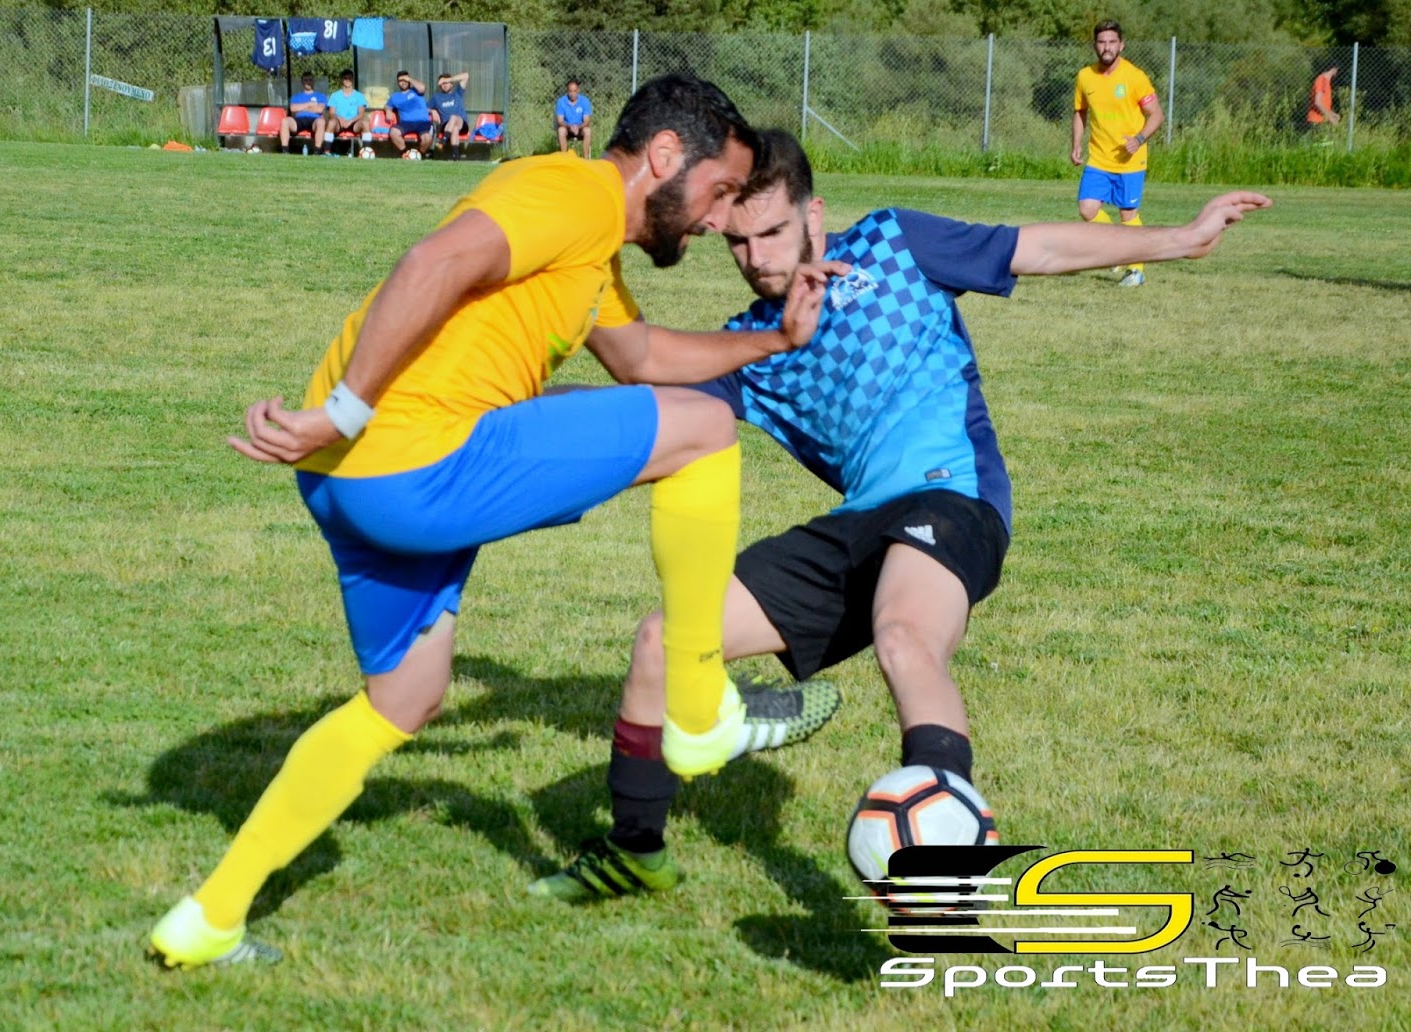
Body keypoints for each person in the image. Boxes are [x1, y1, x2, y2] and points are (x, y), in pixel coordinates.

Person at [148, 75, 849, 969]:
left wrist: (777, 340)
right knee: (706, 430)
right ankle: (700, 703)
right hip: (410, 462)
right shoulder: (574, 194)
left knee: (404, 698)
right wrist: (345, 410)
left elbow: (642, 357)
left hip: (347, 480)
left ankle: (208, 918)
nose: (717, 219)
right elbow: (432, 264)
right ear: (666, 156)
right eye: (718, 191)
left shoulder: (590, 247)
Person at [529, 129, 1271, 903]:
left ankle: (944, 865)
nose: (758, 259)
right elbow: (633, 411)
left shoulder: (895, 244)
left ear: (815, 214)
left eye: (774, 233)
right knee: (664, 641)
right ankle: (634, 853)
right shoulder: (753, 345)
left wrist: (1180, 239)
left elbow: (1037, 248)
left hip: (953, 499)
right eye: (739, 243)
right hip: (858, 524)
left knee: (904, 639)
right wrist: (502, 403)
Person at [1070, 20, 1163, 288]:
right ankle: (1114, 249)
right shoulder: (1085, 76)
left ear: (1121, 45)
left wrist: (1139, 139)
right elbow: (1080, 112)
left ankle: (1136, 270)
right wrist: (1076, 143)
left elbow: (1156, 114)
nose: (1107, 47)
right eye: (1102, 42)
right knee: (1087, 209)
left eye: (1112, 42)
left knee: (1128, 215)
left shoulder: (1135, 77)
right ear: (1094, 45)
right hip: (1099, 157)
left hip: (1130, 160)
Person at [318, 69, 370, 154]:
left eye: (350, 78)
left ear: (353, 80)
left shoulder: (359, 96)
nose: (347, 80)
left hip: (354, 123)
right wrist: (340, 119)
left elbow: (361, 114)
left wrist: (350, 121)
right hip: (339, 123)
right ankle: (327, 151)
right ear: (341, 80)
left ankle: (366, 152)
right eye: (345, 78)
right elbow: (331, 113)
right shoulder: (335, 95)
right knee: (331, 122)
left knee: (365, 123)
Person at [386, 70, 435, 158]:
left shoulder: (416, 91)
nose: (403, 82)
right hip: (406, 123)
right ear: (397, 83)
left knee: (427, 138)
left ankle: (420, 154)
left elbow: (422, 88)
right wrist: (388, 112)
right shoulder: (395, 96)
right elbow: (387, 107)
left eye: (405, 80)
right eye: (400, 81)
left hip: (422, 122)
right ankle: (405, 153)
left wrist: (409, 79)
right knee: (393, 132)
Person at [280, 73, 328, 153]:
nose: (308, 82)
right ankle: (285, 150)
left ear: (313, 81)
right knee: (285, 121)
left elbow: (319, 109)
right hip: (299, 120)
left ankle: (317, 151)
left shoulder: (321, 96)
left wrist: (301, 108)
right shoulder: (296, 97)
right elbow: (293, 109)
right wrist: (309, 104)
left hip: (314, 120)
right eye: (306, 80)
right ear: (302, 82)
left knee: (321, 122)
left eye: (310, 80)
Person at [428, 71, 471, 159]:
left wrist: (448, 79)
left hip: (461, 124)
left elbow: (466, 76)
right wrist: (432, 111)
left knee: (453, 117)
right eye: (442, 83)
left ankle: (443, 141)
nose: (444, 85)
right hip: (445, 126)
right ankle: (456, 156)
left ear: (451, 84)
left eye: (446, 83)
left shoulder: (458, 93)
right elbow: (424, 108)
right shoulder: (436, 97)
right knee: (454, 128)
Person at [556, 79, 593, 158]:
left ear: (578, 90)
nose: (572, 94)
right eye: (570, 91)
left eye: (575, 91)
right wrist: (570, 126)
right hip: (567, 128)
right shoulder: (561, 102)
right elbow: (560, 121)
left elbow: (586, 121)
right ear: (567, 91)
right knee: (561, 130)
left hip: (580, 129)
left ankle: (586, 159)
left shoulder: (585, 101)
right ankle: (564, 158)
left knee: (588, 131)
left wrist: (578, 127)